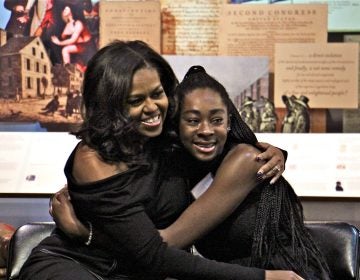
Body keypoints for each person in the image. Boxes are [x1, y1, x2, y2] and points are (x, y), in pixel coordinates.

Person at [20, 41, 299, 280]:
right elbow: (154, 256)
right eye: (136, 100)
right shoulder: (92, 159)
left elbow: (234, 149)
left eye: (157, 94)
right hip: (77, 268)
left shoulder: (167, 136)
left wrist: (277, 153)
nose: (152, 108)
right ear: (111, 105)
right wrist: (263, 277)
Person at [51, 5, 97, 72]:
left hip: (87, 48)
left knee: (65, 50)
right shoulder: (68, 24)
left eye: (66, 9)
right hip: (78, 47)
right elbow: (63, 37)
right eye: (64, 9)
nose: (64, 11)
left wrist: (59, 43)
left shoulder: (78, 23)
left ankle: (67, 72)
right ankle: (67, 71)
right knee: (64, 51)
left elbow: (73, 40)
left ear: (72, 11)